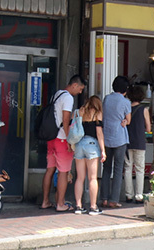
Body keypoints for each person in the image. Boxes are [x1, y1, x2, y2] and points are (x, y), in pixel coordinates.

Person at [40, 75, 86, 211]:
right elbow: (66, 120)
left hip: (51, 138)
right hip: (61, 138)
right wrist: (68, 139)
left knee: (50, 170)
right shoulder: (68, 98)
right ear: (75, 85)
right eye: (80, 89)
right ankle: (60, 204)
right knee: (63, 172)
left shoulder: (57, 94)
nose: (80, 92)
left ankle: (45, 201)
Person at [101, 76, 131, 208]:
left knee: (106, 168)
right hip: (119, 137)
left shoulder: (107, 99)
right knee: (118, 169)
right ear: (125, 89)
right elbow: (128, 120)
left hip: (106, 135)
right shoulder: (125, 101)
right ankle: (114, 199)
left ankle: (104, 198)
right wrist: (124, 120)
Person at [73, 95, 106, 215]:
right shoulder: (97, 113)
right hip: (92, 145)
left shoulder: (80, 112)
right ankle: (93, 207)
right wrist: (103, 150)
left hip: (79, 144)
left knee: (80, 178)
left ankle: (78, 206)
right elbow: (99, 133)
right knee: (92, 178)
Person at [124, 85, 151, 203]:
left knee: (128, 168)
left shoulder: (127, 108)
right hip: (140, 142)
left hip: (127, 141)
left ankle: (128, 195)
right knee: (140, 169)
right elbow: (148, 128)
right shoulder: (144, 109)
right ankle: (139, 195)